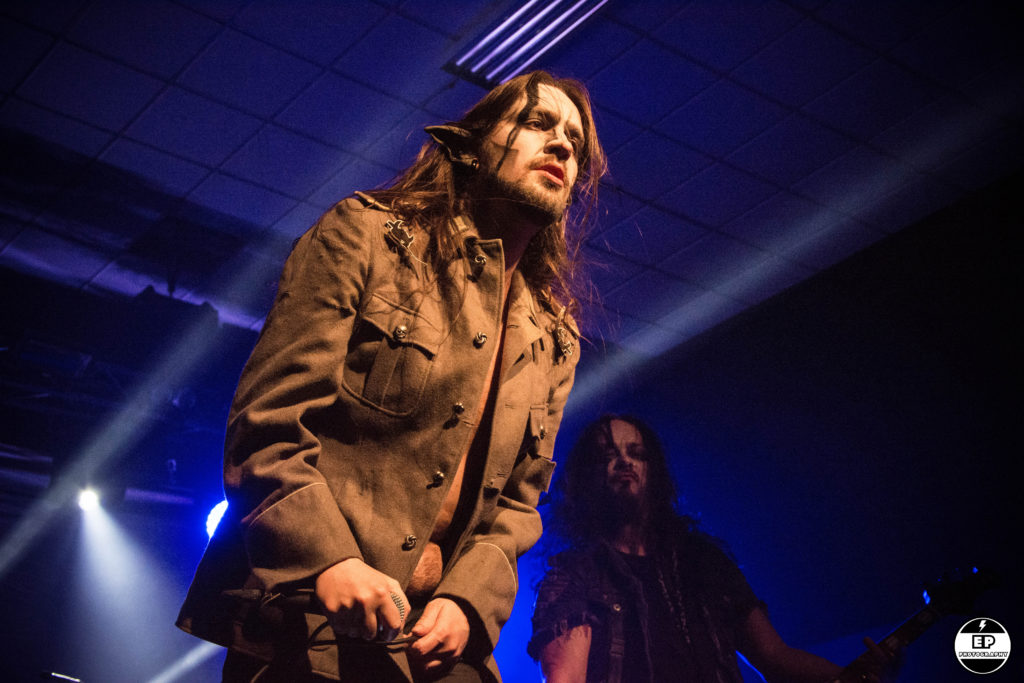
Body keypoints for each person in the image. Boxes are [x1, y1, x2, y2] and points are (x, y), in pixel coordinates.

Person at [176, 70, 607, 683]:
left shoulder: (555, 338)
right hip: (308, 623)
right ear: (473, 144)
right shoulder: (366, 237)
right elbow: (269, 427)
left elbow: (517, 503)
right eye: (538, 123)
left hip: (437, 650)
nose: (563, 145)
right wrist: (326, 561)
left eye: (574, 140)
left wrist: (469, 602)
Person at [529, 415, 897, 683]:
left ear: (654, 471)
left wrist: (849, 676)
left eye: (635, 452)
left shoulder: (702, 562)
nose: (623, 461)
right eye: (607, 454)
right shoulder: (574, 576)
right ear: (587, 478)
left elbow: (775, 657)